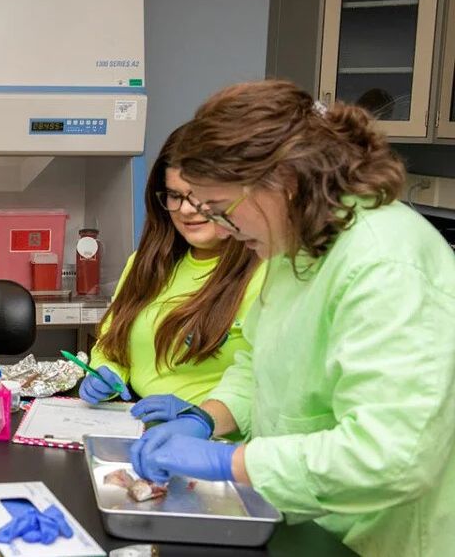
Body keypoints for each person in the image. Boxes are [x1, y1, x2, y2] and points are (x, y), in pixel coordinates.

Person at [127, 80, 455, 557]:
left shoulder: (385, 265)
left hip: (385, 538)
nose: (222, 230)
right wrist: (205, 419)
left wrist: (228, 462)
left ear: (283, 181)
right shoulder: (295, 243)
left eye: (220, 209)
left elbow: (391, 457)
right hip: (309, 518)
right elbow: (260, 364)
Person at [80, 125, 265, 420]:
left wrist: (199, 417)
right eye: (175, 195)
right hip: (136, 424)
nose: (187, 210)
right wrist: (108, 371)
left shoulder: (267, 274)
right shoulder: (146, 262)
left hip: (214, 438)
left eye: (200, 195)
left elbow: (272, 385)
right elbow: (112, 341)